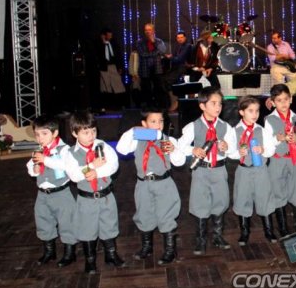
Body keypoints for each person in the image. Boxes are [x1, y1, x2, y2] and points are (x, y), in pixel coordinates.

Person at [115, 109, 186, 265]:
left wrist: (174, 151)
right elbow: (121, 149)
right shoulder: (136, 141)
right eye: (153, 121)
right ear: (144, 124)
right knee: (144, 214)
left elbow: (180, 162)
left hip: (164, 183)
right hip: (143, 184)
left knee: (167, 215)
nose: (158, 125)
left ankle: (170, 250)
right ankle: (147, 247)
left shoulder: (168, 140)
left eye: (161, 121)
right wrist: (134, 131)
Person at [61, 111, 123, 273]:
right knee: (87, 229)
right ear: (75, 133)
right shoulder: (70, 153)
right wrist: (92, 166)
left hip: (106, 196)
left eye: (93, 131)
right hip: (86, 199)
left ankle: (111, 254)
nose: (91, 136)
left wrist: (97, 172)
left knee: (109, 225)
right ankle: (90, 260)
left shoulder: (102, 145)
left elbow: (113, 165)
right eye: (86, 132)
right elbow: (74, 175)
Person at [177, 87, 236, 256]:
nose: (218, 107)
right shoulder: (192, 127)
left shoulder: (226, 127)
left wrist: (226, 147)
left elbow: (233, 150)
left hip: (219, 169)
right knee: (200, 203)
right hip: (201, 171)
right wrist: (192, 150)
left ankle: (218, 236)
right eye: (213, 103)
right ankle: (201, 239)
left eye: (220, 104)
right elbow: (180, 145)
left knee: (220, 201)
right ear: (202, 106)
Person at [26, 115, 77, 268]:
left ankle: (69, 253)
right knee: (43, 220)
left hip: (61, 193)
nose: (40, 138)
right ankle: (49, 251)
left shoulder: (64, 149)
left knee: (67, 222)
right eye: (37, 134)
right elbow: (30, 166)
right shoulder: (39, 150)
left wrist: (45, 160)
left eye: (44, 133)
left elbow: (65, 166)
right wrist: (34, 168)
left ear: (55, 133)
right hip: (42, 193)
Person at [227, 96, 278, 246]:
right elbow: (230, 152)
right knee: (242, 198)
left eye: (257, 111)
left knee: (265, 198)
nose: (255, 114)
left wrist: (263, 149)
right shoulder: (234, 131)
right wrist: (238, 153)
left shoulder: (262, 130)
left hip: (261, 170)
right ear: (241, 112)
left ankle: (269, 230)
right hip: (244, 171)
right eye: (250, 111)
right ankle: (244, 232)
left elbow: (271, 149)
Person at [264, 84, 296, 236]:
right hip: (278, 160)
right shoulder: (269, 120)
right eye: (279, 100)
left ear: (291, 99)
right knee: (278, 190)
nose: (283, 103)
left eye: (285, 99)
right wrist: (277, 139)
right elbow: (267, 143)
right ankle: (283, 227)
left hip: (295, 159)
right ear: (273, 102)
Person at [136, 23, 168, 108]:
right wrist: (156, 53)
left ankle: (160, 106)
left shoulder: (158, 41)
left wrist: (154, 42)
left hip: (157, 68)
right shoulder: (140, 42)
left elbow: (163, 50)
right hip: (145, 69)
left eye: (149, 30)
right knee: (146, 89)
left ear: (153, 31)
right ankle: (149, 107)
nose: (147, 32)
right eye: (146, 30)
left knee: (159, 88)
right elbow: (143, 54)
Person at [95, 28, 126, 111]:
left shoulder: (114, 43)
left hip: (113, 66)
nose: (110, 37)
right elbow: (98, 55)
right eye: (108, 35)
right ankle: (107, 105)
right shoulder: (99, 44)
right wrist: (103, 42)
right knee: (106, 86)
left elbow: (119, 55)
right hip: (104, 67)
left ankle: (120, 104)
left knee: (117, 84)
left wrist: (120, 67)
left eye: (110, 35)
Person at [165, 31, 193, 112]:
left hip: (185, 68)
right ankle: (175, 102)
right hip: (177, 68)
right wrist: (171, 57)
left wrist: (170, 57)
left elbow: (179, 59)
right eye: (178, 38)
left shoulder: (187, 46)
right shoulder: (178, 47)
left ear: (185, 38)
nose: (180, 39)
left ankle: (176, 102)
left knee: (168, 80)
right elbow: (175, 58)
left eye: (181, 37)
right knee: (165, 80)